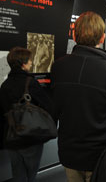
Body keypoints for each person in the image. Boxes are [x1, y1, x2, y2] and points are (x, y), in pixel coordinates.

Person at [50, 11, 106, 182]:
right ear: (102, 38)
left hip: (69, 152)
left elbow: (55, 107)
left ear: (74, 34)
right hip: (102, 156)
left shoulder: (58, 67)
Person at [0, 47, 52, 182]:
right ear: (23, 64)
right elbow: (47, 105)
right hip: (30, 136)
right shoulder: (31, 83)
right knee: (31, 174)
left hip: (11, 137)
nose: (31, 63)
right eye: (29, 60)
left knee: (18, 174)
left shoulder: (4, 85)